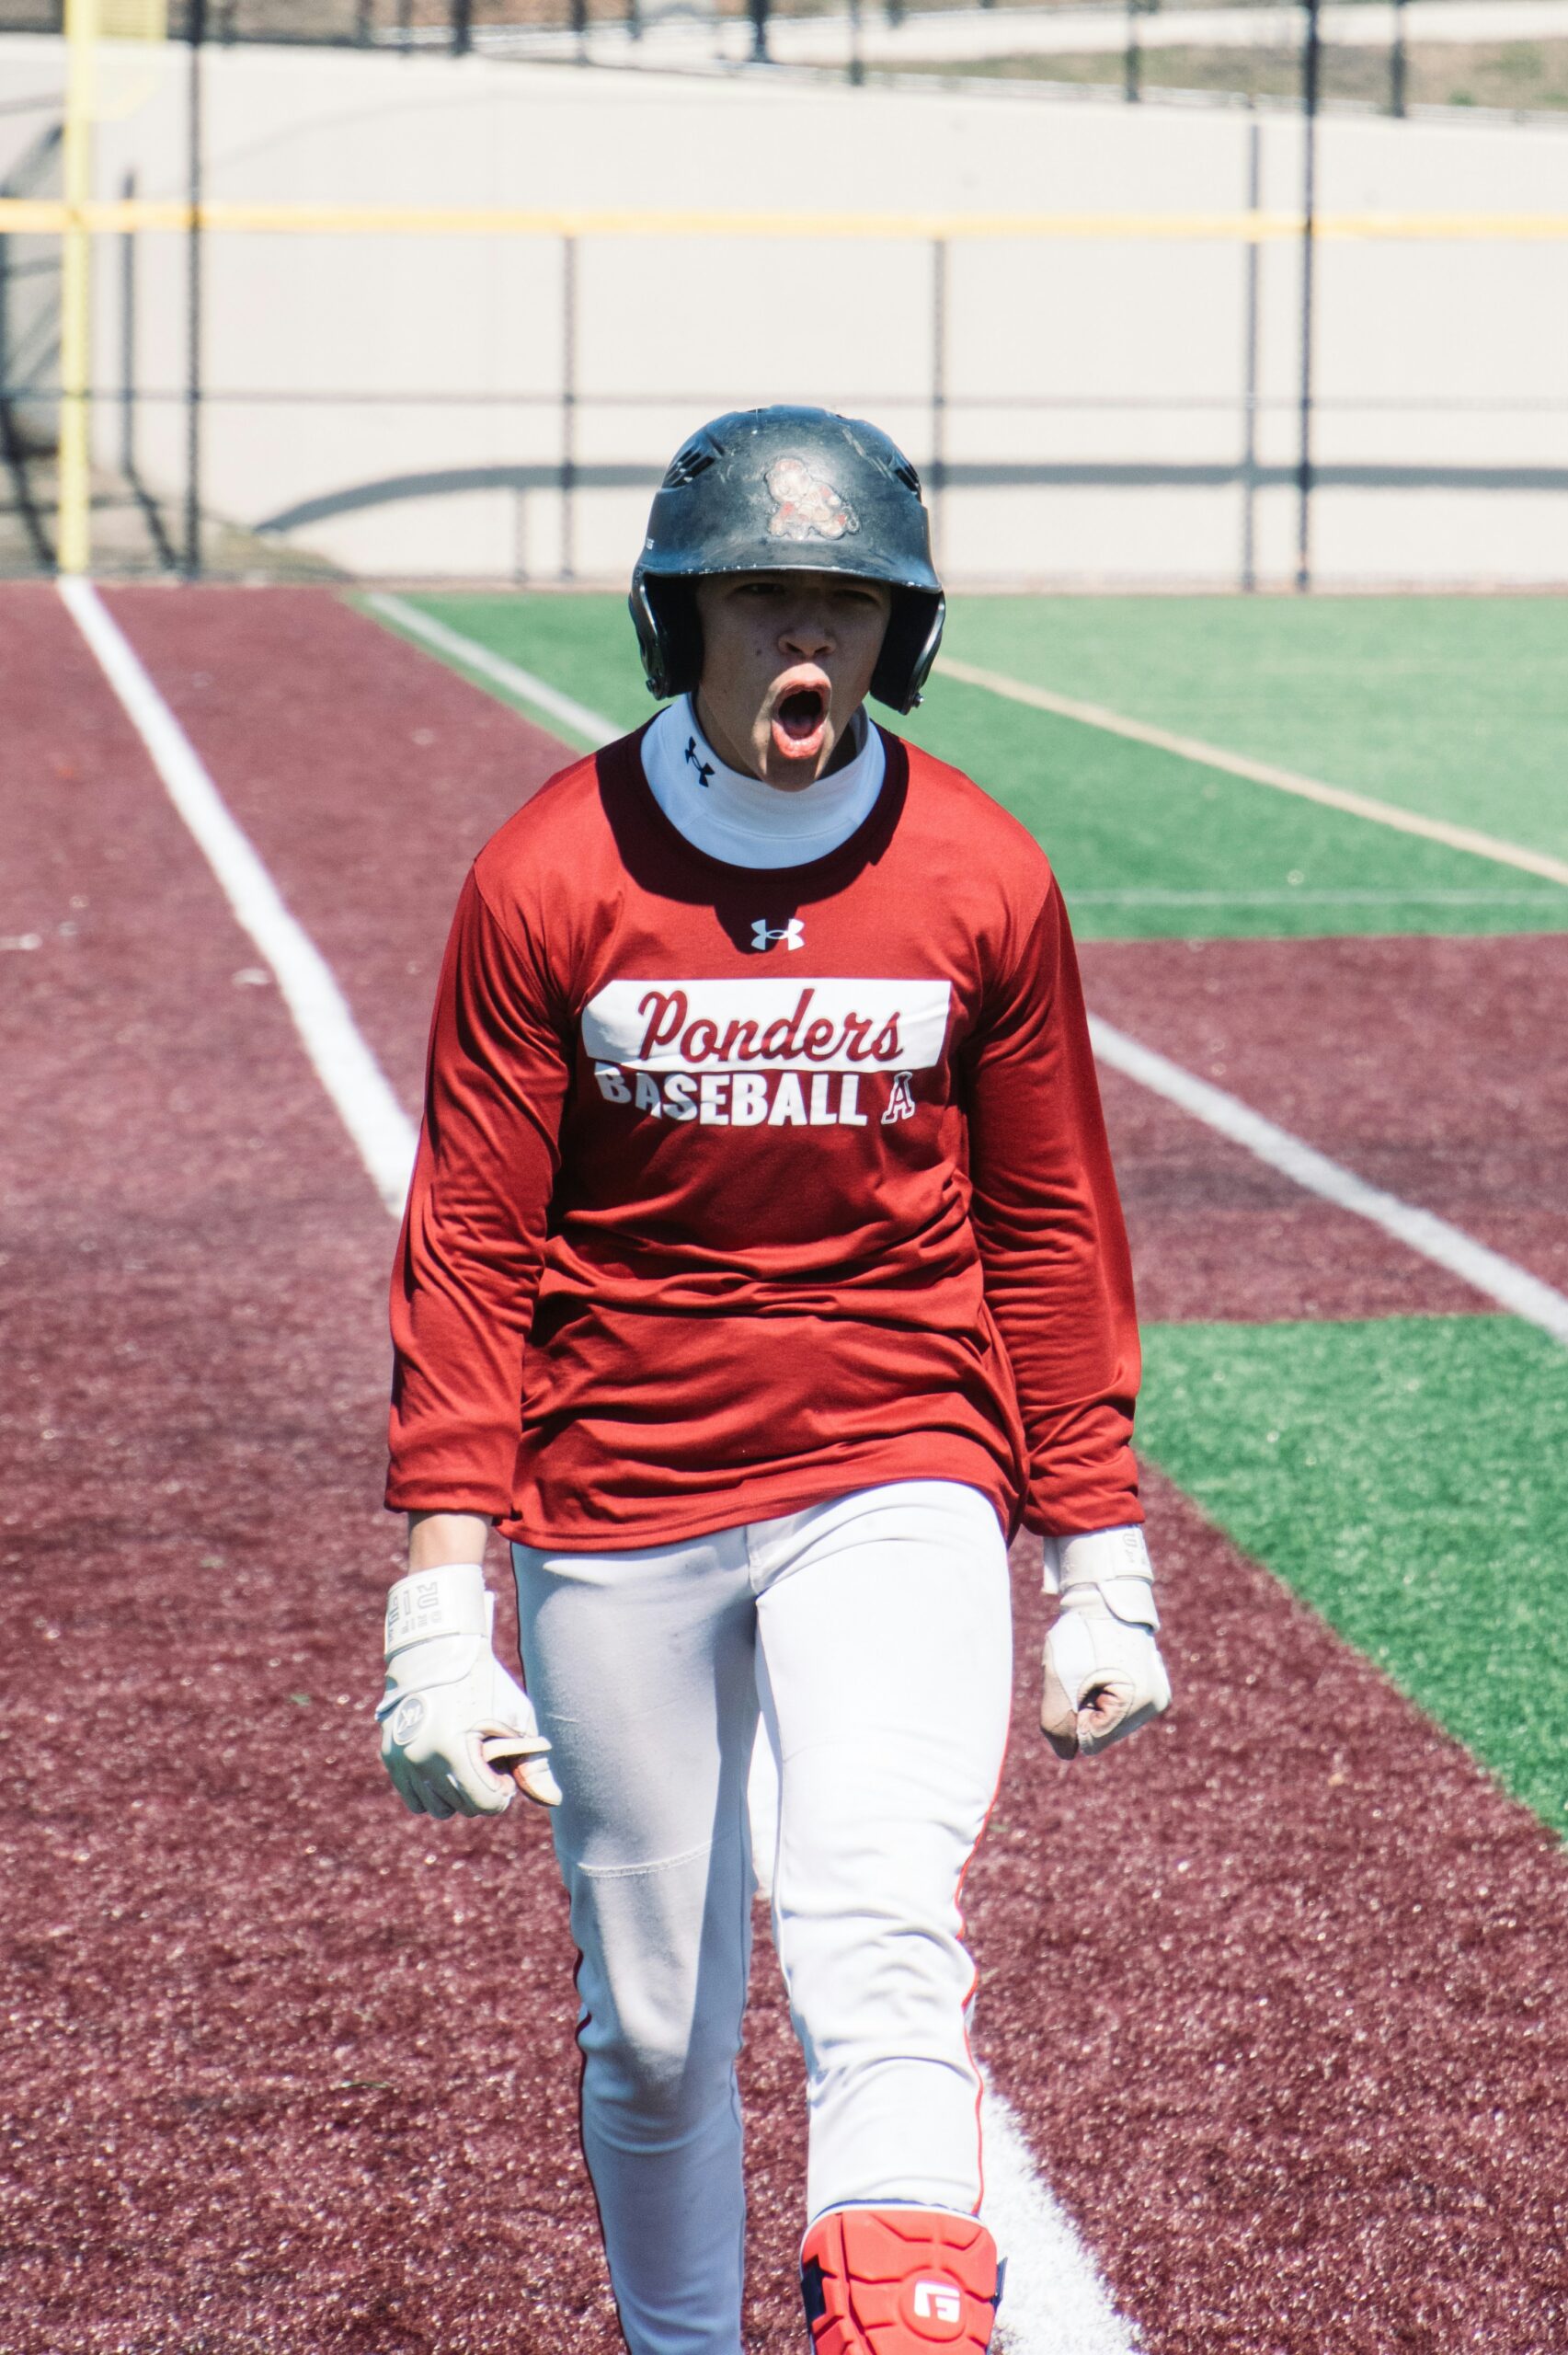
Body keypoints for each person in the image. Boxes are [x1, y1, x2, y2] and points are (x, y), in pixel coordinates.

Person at [374, 407, 1171, 2355]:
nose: (799, 636)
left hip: (896, 1459)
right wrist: (430, 1600)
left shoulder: (980, 869)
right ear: (679, 619)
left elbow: (1053, 1228)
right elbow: (473, 1238)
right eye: (760, 595)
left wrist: (1100, 1560)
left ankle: (899, 2317)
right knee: (654, 2022)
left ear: (898, 636)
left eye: (841, 597)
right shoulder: (547, 869)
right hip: (617, 1484)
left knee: (875, 1924)